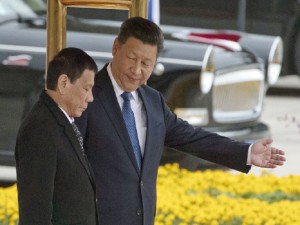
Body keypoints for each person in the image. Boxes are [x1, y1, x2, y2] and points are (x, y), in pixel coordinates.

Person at [75, 17, 286, 225]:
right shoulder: (84, 97)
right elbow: (65, 165)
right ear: (115, 48)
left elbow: (192, 138)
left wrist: (247, 153)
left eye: (146, 63)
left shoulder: (152, 100)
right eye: (132, 58)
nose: (137, 70)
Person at [15, 47, 98, 225]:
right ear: (63, 83)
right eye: (86, 88)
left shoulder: (59, 121)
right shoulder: (41, 128)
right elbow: (35, 211)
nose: (90, 98)